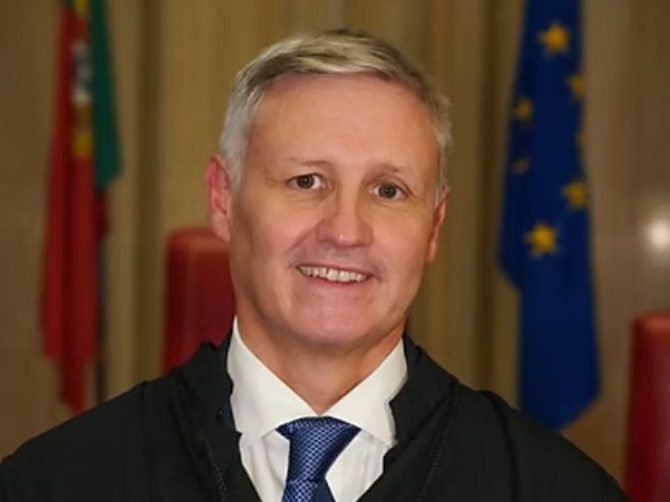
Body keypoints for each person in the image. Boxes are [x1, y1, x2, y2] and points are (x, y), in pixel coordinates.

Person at [0, 29, 626, 501]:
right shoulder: (55, 484)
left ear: (434, 226)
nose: (346, 231)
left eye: (388, 191)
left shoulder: (554, 489)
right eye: (307, 181)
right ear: (222, 198)